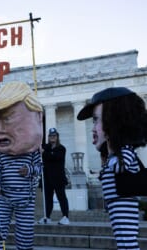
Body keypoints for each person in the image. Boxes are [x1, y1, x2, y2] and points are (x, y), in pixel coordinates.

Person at [0, 82, 43, 250]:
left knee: (25, 234)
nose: (0, 129)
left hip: (25, 198)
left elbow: (40, 169)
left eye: (8, 118)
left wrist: (29, 170)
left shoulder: (33, 151)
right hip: (3, 197)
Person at [77, 87, 147, 249]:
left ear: (114, 121)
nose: (93, 128)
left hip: (124, 205)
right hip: (116, 205)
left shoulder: (124, 152)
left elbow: (121, 166)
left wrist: (111, 159)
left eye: (96, 120)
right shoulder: (114, 155)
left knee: (127, 239)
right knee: (122, 239)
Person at [39, 127, 70, 225]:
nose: (52, 137)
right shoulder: (45, 147)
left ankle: (65, 216)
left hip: (58, 178)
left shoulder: (61, 148)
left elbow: (54, 157)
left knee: (62, 197)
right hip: (47, 177)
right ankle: (47, 216)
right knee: (48, 199)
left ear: (57, 137)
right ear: (48, 137)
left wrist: (45, 153)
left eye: (54, 136)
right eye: (50, 136)